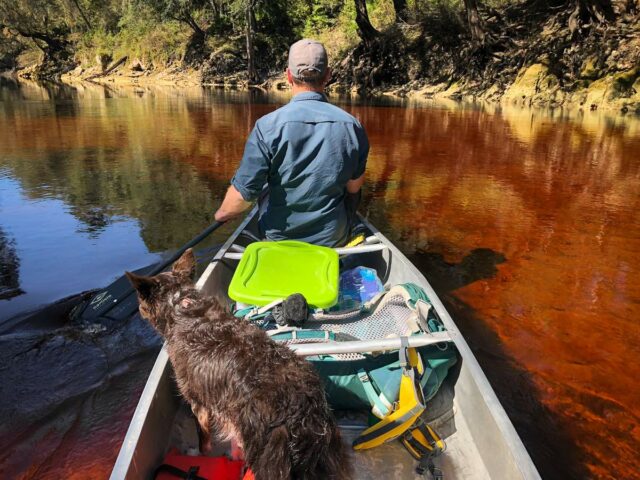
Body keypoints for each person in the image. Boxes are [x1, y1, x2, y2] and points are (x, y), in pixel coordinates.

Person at [214, 39, 369, 247]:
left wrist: (224, 213)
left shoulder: (267, 126)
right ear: (328, 75)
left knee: (267, 186)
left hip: (279, 238)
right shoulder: (353, 126)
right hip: (333, 238)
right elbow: (353, 188)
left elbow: (243, 195)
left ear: (288, 76)